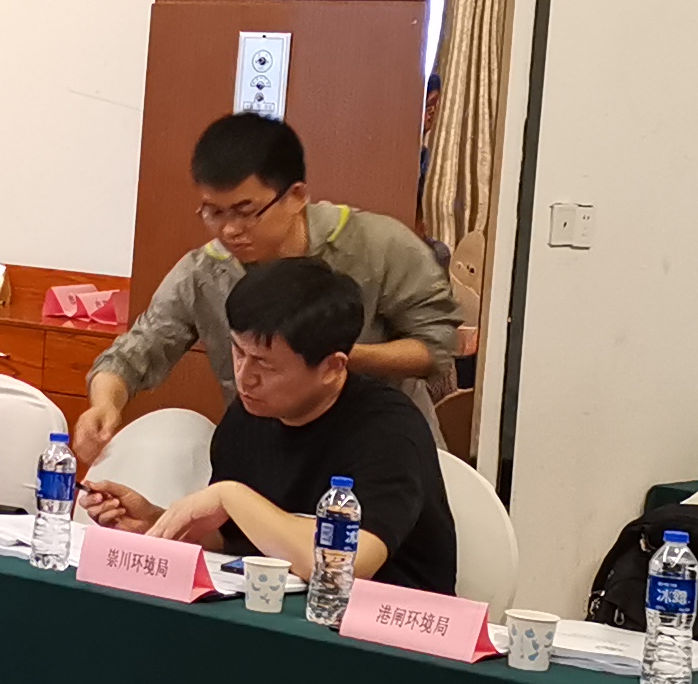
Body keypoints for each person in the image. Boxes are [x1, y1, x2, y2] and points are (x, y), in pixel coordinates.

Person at [73, 113, 463, 470]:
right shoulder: (204, 273)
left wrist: (333, 358)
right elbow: (135, 352)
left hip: (385, 454)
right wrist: (105, 404)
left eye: (246, 212)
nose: (229, 230)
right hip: (274, 464)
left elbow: (437, 348)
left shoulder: (377, 244)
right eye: (214, 212)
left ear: (296, 196)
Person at [80, 256, 457, 593]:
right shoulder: (249, 416)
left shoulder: (388, 430)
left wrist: (230, 496)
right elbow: (236, 541)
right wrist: (158, 522)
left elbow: (342, 565)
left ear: (331, 367)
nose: (244, 377)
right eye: (238, 351)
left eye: (264, 364)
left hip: (385, 629)